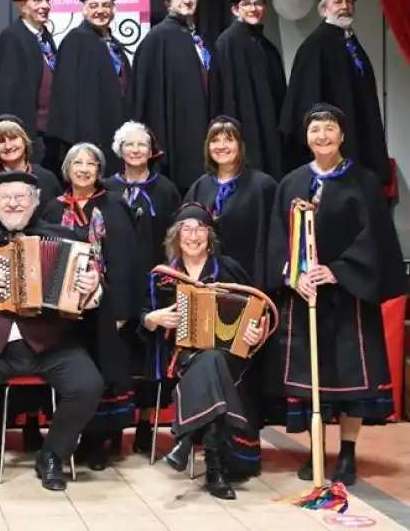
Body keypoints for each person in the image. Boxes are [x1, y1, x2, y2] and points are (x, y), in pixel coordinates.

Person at [0, 170, 106, 492]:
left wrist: (90, 288)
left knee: (89, 384)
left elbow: (92, 295)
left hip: (54, 346)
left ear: (35, 201)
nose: (12, 204)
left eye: (20, 197)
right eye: (5, 198)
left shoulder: (66, 238)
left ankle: (52, 454)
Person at [264, 103, 405, 485]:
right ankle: (316, 452)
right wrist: (293, 275)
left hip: (348, 296)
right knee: (314, 380)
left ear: (342, 135)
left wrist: (337, 270)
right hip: (305, 297)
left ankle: (346, 454)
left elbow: (373, 239)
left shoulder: (364, 182)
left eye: (329, 129)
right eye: (315, 130)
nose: (322, 136)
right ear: (306, 137)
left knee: (350, 382)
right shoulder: (291, 183)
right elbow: (277, 237)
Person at [142, 203, 266, 499]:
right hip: (180, 357)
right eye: (187, 229)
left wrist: (255, 331)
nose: (193, 235)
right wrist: (153, 319)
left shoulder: (228, 269)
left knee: (212, 359)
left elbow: (256, 312)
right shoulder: (161, 276)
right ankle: (214, 471)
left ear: (210, 236)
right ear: (176, 235)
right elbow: (142, 317)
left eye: (200, 229)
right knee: (209, 362)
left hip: (232, 357)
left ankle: (185, 440)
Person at [41, 143, 141, 469]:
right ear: (67, 169)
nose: (84, 169)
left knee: (101, 371)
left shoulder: (113, 206)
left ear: (99, 171)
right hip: (61, 310)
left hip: (104, 307)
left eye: (91, 164)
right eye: (77, 163)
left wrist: (122, 311)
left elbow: (126, 262)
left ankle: (97, 443)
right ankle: (67, 438)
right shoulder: (52, 209)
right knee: (72, 372)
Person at [104, 121, 181, 452]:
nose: (136, 150)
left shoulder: (166, 189)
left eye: (142, 145)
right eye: (129, 144)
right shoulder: (105, 188)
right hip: (117, 286)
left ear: (152, 151)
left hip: (155, 284)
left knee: (151, 358)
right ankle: (111, 427)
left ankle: (147, 424)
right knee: (116, 355)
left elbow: (177, 239)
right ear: (119, 150)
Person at [279, 0, 390, 186]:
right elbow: (308, 98)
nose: (344, 6)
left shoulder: (350, 41)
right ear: (325, 10)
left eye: (348, 2)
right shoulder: (315, 45)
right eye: (338, 2)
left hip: (357, 129)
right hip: (332, 138)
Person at [130, 0, 218, 193]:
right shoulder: (158, 38)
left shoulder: (202, 40)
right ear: (168, 4)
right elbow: (146, 94)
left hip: (205, 128)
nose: (186, 0)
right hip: (177, 134)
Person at [183, 116, 277, 289]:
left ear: (240, 145)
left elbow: (273, 241)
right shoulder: (200, 187)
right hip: (207, 284)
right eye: (215, 140)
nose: (221, 146)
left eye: (229, 139)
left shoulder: (262, 186)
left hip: (249, 281)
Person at [47, 0, 131, 170]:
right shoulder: (76, 40)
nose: (100, 10)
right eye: (94, 6)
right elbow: (65, 91)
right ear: (84, 11)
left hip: (115, 127)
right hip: (89, 130)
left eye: (106, 6)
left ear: (114, 10)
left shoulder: (113, 43)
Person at [215, 0, 286, 179]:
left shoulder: (266, 45)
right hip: (243, 128)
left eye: (258, 3)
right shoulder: (227, 42)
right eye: (246, 4)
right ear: (235, 10)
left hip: (268, 127)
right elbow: (226, 92)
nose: (253, 9)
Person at [0, 0, 57, 168]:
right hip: (28, 131)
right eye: (37, 1)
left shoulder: (45, 36)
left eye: (47, 0)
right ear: (23, 7)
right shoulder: (12, 37)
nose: (44, 6)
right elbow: (7, 91)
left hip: (48, 130)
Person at [0, 115, 61, 227]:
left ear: (24, 140)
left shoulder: (47, 180)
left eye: (13, 138)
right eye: (1, 141)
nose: (8, 146)